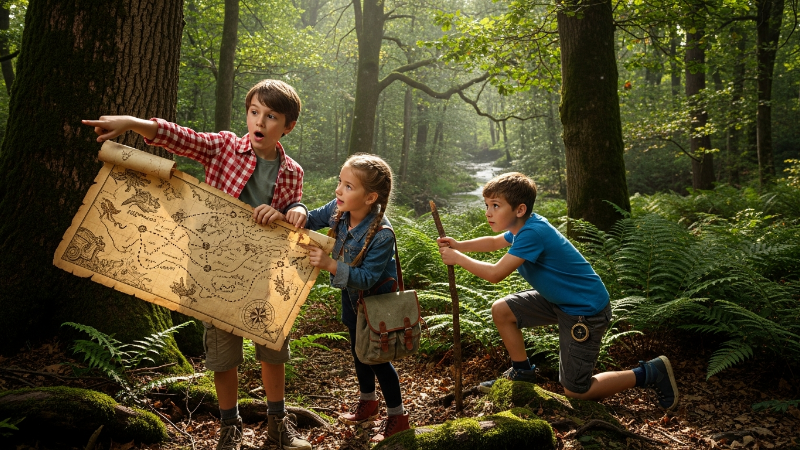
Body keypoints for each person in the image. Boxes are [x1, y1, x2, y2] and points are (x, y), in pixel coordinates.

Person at [83, 79, 312, 450]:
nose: (260, 121)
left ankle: (277, 427)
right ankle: (229, 429)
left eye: (271, 116)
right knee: (223, 355)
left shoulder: (292, 171)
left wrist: (293, 211)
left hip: (264, 272)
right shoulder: (223, 147)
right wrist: (130, 122)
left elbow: (294, 207)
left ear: (287, 126)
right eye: (255, 112)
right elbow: (179, 137)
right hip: (212, 267)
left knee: (272, 349)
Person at [436, 172, 679, 410]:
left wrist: (457, 258)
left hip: (585, 310)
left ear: (520, 209)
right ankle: (522, 372)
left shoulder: (533, 233)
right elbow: (494, 242)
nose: (488, 212)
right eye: (487, 204)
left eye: (496, 206)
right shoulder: (523, 226)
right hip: (560, 301)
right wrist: (459, 245)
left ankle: (650, 372)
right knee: (502, 311)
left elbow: (495, 275)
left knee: (576, 391)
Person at [301, 154, 411, 442]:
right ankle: (368, 402)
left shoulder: (382, 234)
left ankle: (398, 417)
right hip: (352, 303)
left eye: (348, 186)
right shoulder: (339, 211)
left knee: (376, 359)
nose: (339, 190)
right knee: (357, 352)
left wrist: (330, 264)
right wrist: (293, 212)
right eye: (340, 182)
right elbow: (309, 217)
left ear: (370, 197)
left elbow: (367, 278)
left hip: (376, 308)